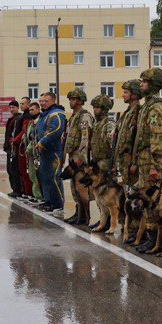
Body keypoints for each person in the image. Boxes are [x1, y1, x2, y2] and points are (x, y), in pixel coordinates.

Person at [132, 68, 162, 253]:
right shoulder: (147, 106)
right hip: (144, 160)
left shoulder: (156, 107)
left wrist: (156, 166)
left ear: (153, 85)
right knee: (146, 201)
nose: (141, 84)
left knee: (152, 202)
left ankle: (156, 238)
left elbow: (158, 138)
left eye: (145, 81)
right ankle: (151, 236)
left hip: (151, 162)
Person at [63, 89, 95, 225]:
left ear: (79, 101)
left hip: (79, 157)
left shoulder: (84, 116)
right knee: (74, 188)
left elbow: (85, 138)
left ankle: (85, 216)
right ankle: (78, 212)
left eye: (73, 99)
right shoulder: (74, 116)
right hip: (73, 155)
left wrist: (81, 157)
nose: (70, 101)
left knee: (81, 188)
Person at [87, 94, 116, 229]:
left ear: (104, 109)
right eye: (94, 107)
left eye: (97, 107)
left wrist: (114, 164)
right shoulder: (97, 124)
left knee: (107, 197)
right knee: (99, 196)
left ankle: (109, 222)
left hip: (105, 163)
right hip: (97, 163)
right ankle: (103, 220)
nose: (95, 110)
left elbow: (113, 144)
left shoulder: (108, 124)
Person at [35, 92, 67, 215]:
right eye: (41, 100)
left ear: (53, 101)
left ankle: (58, 204)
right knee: (45, 177)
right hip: (44, 151)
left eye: (45, 101)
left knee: (53, 177)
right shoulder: (44, 114)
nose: (42, 103)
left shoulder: (56, 114)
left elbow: (55, 131)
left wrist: (42, 142)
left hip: (53, 151)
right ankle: (48, 201)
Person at [113, 80, 142, 190]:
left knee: (134, 193)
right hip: (124, 161)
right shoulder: (127, 113)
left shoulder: (138, 112)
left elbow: (138, 139)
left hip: (131, 161)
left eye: (126, 92)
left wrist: (135, 162)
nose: (122, 95)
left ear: (134, 94)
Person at [3, 99, 23, 196]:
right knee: (10, 170)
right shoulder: (11, 119)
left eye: (13, 107)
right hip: (9, 148)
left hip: (15, 148)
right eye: (10, 107)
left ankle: (18, 189)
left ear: (17, 108)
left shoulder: (19, 118)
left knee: (15, 170)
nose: (11, 109)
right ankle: (14, 189)